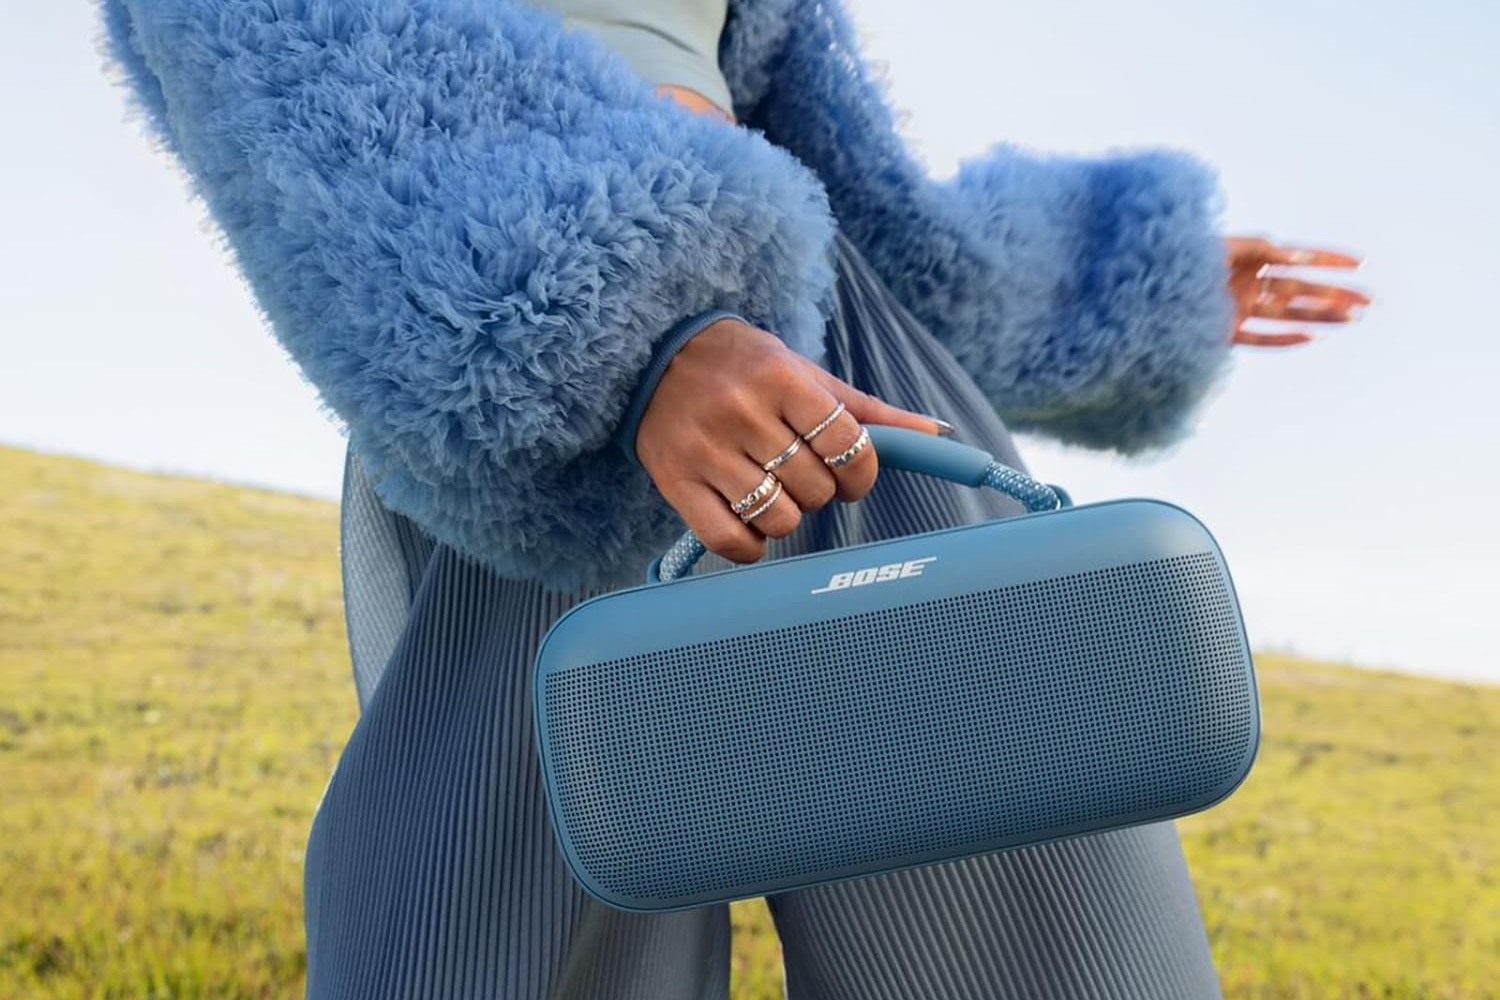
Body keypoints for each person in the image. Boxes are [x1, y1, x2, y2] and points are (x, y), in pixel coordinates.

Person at [96, 0, 1368, 997]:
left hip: (822, 372)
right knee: (492, 947)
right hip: (545, 404)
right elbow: (268, 44)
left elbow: (846, 180)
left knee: (1049, 939)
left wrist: (1126, 282)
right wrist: (630, 328)